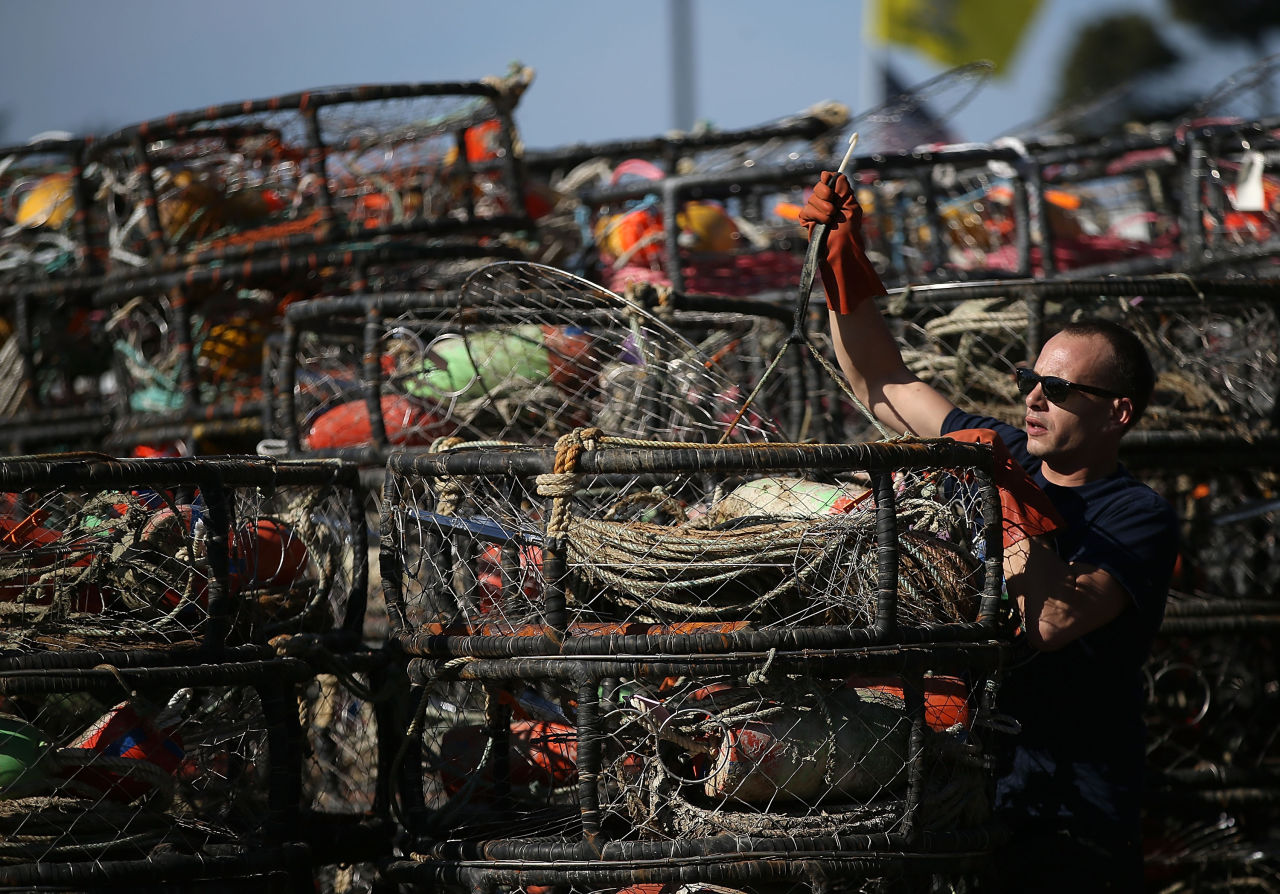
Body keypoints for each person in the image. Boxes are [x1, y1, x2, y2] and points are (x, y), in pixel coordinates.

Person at [799, 172, 1180, 892]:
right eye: (1030, 379)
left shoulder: (1136, 516)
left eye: (1060, 390)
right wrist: (841, 268)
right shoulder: (998, 451)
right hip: (971, 791)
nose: (1034, 397)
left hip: (1073, 815)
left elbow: (1054, 618)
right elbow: (881, 381)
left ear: (1117, 414)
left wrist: (1003, 503)